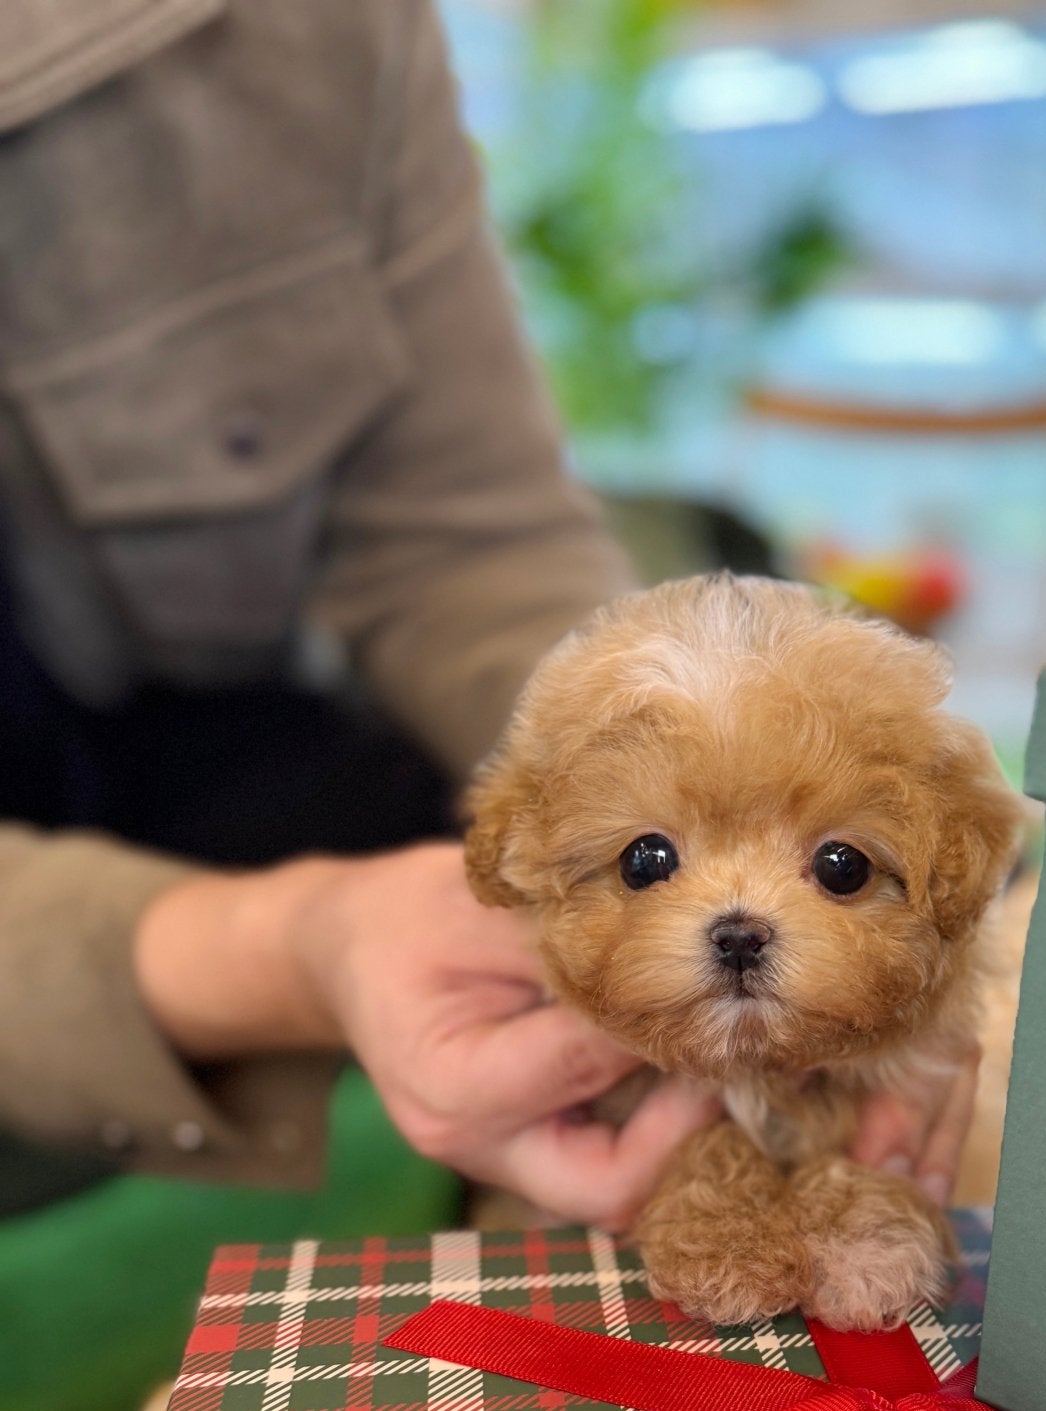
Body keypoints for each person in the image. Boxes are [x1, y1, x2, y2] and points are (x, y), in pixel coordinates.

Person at [0, 0, 976, 1240]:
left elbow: (462, 534)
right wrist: (291, 945)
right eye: (654, 862)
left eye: (836, 868)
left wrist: (651, 747)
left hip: (228, 741)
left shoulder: (323, 39)